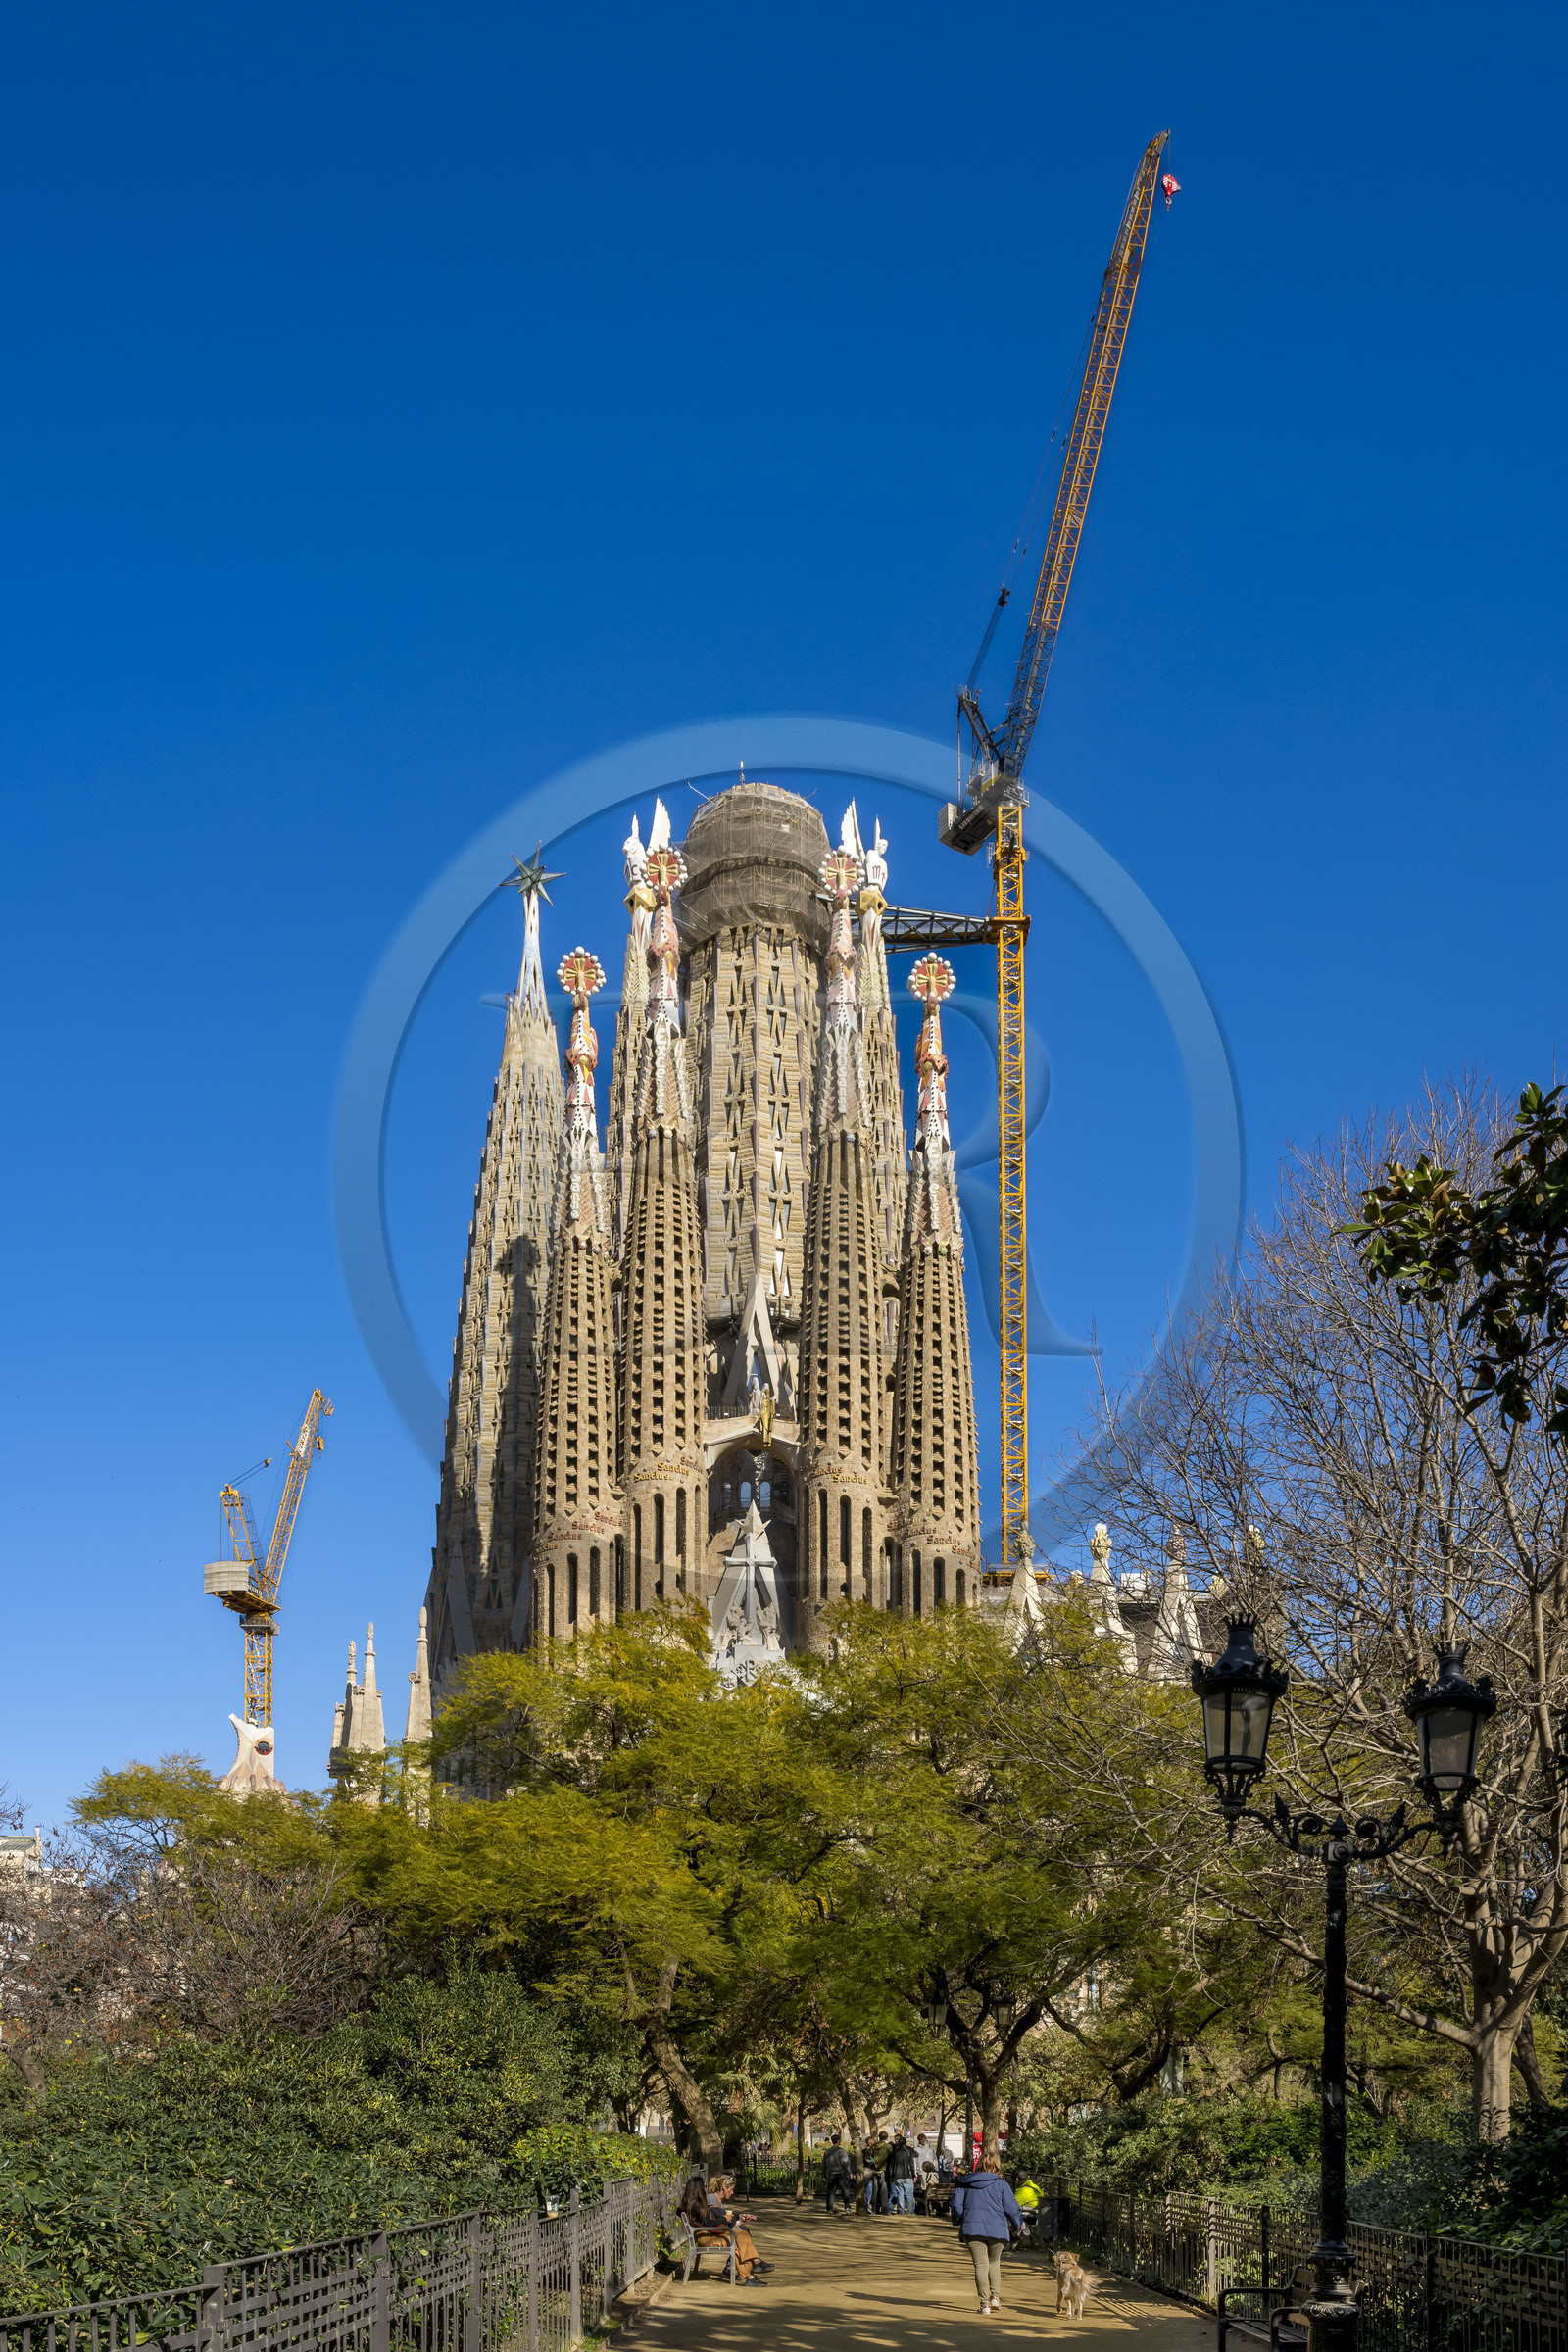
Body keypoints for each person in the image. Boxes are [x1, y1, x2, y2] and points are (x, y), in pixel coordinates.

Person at [950, 2156, 1023, 2317]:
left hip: (973, 2228)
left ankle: (984, 2304)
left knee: (980, 2265)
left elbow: (956, 2204)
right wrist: (1019, 2223)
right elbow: (1012, 2208)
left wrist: (960, 2219)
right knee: (994, 2262)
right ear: (997, 2166)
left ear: (978, 2165)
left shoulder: (966, 2183)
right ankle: (995, 2297)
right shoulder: (1002, 2185)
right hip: (998, 2229)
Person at [677, 2172, 771, 2284]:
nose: (706, 2189)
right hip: (706, 2237)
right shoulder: (697, 2205)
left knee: (741, 2238)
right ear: (698, 2189)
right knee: (741, 2237)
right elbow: (710, 2223)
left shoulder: (690, 2204)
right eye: (704, 2186)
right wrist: (724, 2219)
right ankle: (755, 2265)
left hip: (705, 2234)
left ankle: (750, 2276)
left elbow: (683, 2213)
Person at [822, 2132, 855, 2217]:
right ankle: (847, 2207)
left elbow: (824, 2164)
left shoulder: (827, 2152)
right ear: (838, 2141)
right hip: (840, 2173)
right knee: (845, 2190)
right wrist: (849, 2172)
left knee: (831, 2192)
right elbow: (845, 2162)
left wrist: (824, 2175)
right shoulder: (841, 2151)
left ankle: (829, 2208)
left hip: (831, 2174)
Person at [885, 2132, 918, 2215]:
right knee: (909, 2195)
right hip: (907, 2176)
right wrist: (914, 2175)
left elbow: (891, 2165)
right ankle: (911, 2211)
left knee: (900, 2194)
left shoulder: (895, 2152)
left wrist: (892, 2176)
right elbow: (912, 2165)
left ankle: (901, 2211)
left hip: (897, 2176)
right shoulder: (908, 2152)